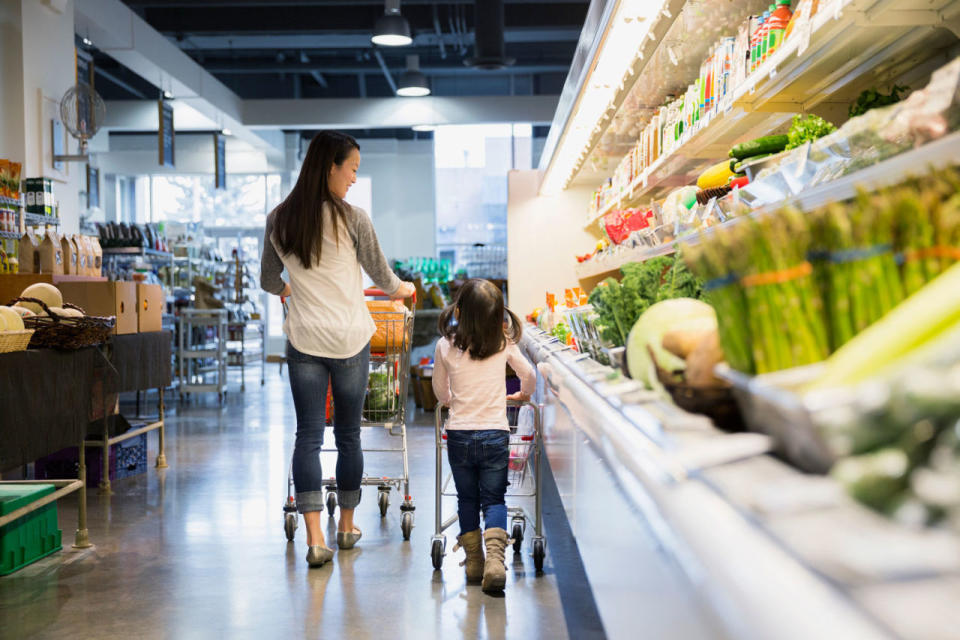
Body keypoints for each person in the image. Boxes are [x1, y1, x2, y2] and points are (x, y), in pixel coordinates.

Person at [261, 131, 415, 568]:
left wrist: (289, 286)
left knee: (308, 436)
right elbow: (383, 277)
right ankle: (346, 526)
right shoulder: (354, 219)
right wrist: (405, 288)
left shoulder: (279, 219)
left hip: (305, 340)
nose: (353, 178)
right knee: (348, 435)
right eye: (351, 169)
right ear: (331, 165)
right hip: (349, 340)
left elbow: (269, 280)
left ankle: (314, 538)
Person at [432, 278, 536, 592]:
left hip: (460, 436)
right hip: (495, 434)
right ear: (496, 315)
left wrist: (449, 399)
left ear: (459, 312)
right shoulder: (503, 343)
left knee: (467, 499)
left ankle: (475, 563)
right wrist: (523, 395)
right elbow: (528, 375)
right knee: (494, 499)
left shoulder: (445, 345)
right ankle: (495, 561)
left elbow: (440, 390)